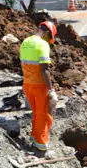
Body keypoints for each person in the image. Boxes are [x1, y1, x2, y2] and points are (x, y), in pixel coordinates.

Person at [19, 21, 59, 151]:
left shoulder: (25, 42)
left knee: (36, 112)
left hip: (27, 84)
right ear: (47, 33)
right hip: (39, 85)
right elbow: (44, 69)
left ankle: (34, 136)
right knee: (43, 113)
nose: (49, 41)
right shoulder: (42, 44)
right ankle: (41, 143)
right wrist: (50, 89)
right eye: (49, 38)